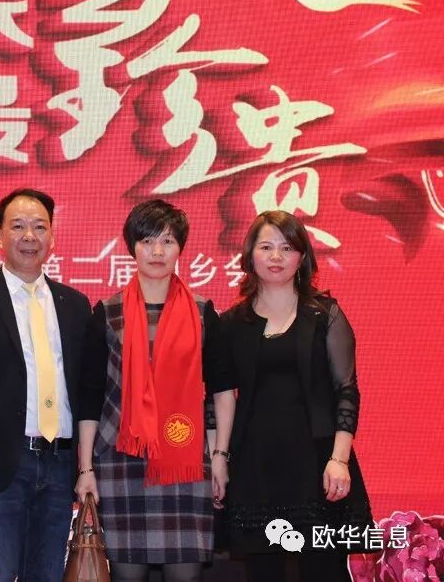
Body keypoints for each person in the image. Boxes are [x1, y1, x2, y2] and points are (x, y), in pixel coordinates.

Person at [211, 211, 373, 582]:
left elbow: (346, 389)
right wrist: (219, 458)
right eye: (266, 247)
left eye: (287, 248)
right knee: (263, 570)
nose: (276, 256)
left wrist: (339, 459)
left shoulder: (325, 315)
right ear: (250, 255)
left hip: (317, 464)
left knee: (323, 569)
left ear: (302, 257)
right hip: (255, 467)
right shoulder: (231, 323)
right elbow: (221, 396)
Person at [75, 200, 231, 582]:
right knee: (127, 576)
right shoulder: (107, 312)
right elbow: (90, 396)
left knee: (185, 576)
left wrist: (219, 456)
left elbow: (221, 392)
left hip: (186, 459)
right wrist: (85, 469)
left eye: (168, 241)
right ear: (132, 247)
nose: (157, 251)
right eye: (147, 241)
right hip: (121, 458)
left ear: (181, 248)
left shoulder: (203, 313)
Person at [0, 189, 90, 582]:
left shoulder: (75, 304)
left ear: (52, 237)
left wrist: (85, 465)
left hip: (60, 462)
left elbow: (86, 390)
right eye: (17, 226)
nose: (29, 236)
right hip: (2, 461)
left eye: (40, 227)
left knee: (48, 575)